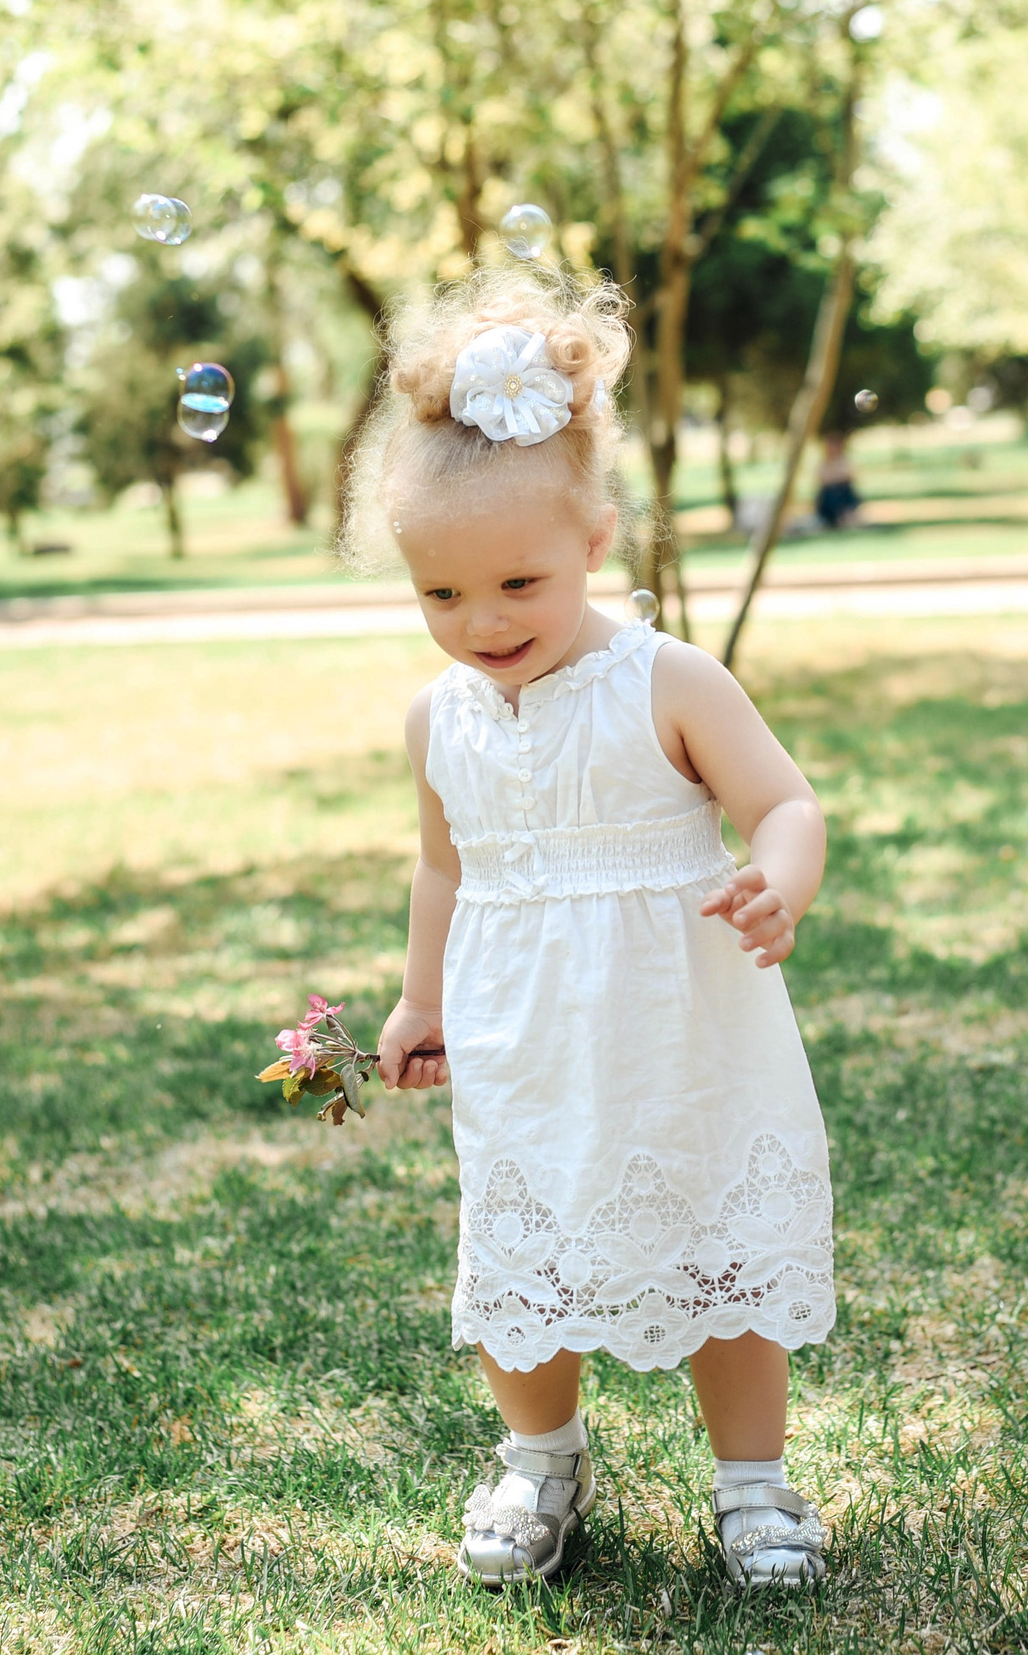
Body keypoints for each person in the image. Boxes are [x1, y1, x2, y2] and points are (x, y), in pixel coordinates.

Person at [342, 270, 837, 1589]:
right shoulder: (435, 717)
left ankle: (754, 1482)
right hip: (524, 1034)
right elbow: (444, 868)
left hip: (679, 1024)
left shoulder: (666, 680)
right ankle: (540, 1456)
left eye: (517, 580)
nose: (484, 623)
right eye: (441, 595)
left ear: (597, 541)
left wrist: (779, 879)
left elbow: (783, 800)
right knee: (524, 1248)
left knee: (718, 1247)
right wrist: (418, 997)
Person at [813, 430, 863, 528]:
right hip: (828, 494)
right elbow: (821, 479)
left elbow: (849, 475)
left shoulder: (844, 460)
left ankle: (845, 516)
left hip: (843, 492)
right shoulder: (824, 462)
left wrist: (834, 477)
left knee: (839, 492)